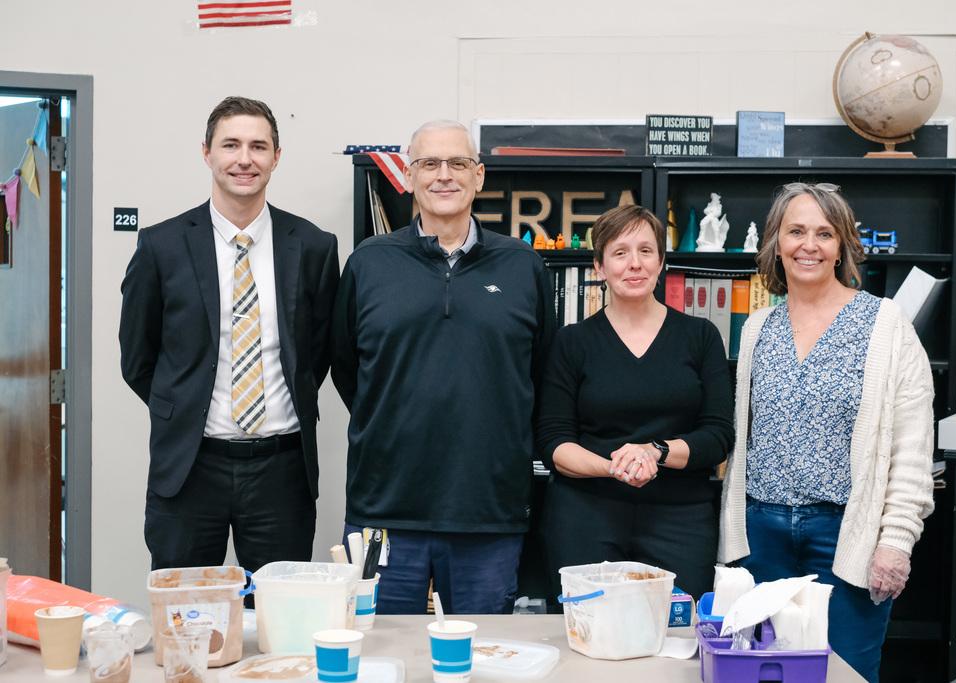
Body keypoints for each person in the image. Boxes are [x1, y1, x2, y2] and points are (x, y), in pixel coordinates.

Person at [331, 120, 556, 615]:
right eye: (429, 163)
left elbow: (541, 374)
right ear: (409, 176)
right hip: (384, 507)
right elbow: (348, 369)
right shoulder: (369, 263)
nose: (444, 175)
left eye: (458, 163)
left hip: (488, 510)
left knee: (482, 652)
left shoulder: (523, 266)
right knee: (381, 649)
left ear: (479, 175)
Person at [718, 182, 934, 683]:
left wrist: (895, 541)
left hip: (846, 536)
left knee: (847, 673)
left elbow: (913, 447)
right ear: (776, 243)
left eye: (824, 233)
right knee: (765, 673)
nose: (808, 245)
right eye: (795, 231)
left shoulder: (886, 325)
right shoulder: (757, 328)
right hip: (761, 535)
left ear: (842, 247)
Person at [119, 96, 340, 575]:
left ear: (276, 157)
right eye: (231, 145)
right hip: (189, 468)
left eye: (258, 147)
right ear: (207, 153)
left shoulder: (314, 246)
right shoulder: (161, 246)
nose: (245, 159)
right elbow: (138, 359)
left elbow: (318, 354)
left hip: (282, 470)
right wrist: (182, 409)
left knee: (282, 611)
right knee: (185, 610)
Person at [536, 204, 734, 598]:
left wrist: (654, 451)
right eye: (620, 252)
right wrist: (616, 469)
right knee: (589, 629)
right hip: (585, 517)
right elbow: (553, 442)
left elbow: (717, 436)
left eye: (646, 251)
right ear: (599, 266)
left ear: (661, 263)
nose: (635, 264)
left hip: (681, 519)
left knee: (677, 631)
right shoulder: (572, 342)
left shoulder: (701, 336)